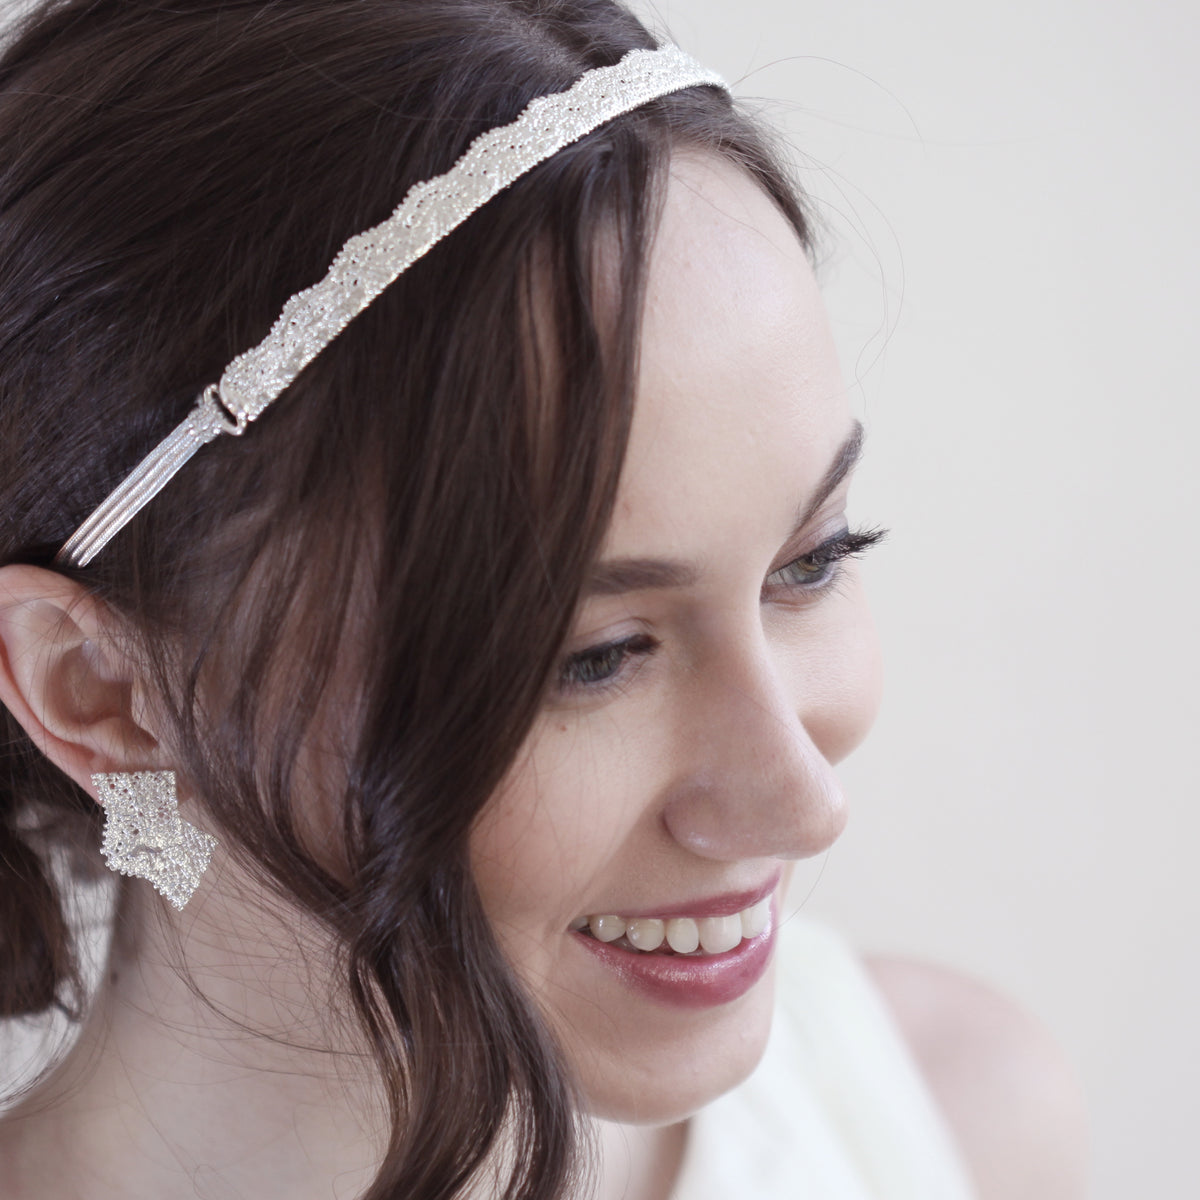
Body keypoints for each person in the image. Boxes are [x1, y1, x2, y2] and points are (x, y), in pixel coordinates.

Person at [0, 1, 1085, 1197]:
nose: (803, 802)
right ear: (100, 691)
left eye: (812, 562)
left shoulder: (953, 1126)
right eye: (598, 656)